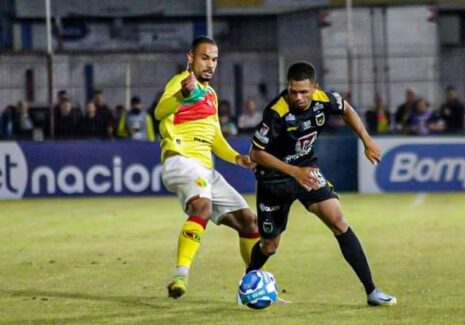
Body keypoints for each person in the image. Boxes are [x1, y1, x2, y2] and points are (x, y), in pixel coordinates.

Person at [247, 61, 396, 306]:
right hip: (274, 180)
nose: (298, 97)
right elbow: (256, 154)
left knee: (338, 221)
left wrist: (366, 140)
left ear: (315, 87)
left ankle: (371, 291)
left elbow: (346, 109)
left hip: (307, 170)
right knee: (270, 245)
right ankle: (247, 282)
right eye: (293, 91)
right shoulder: (276, 112)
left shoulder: (324, 100)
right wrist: (294, 172)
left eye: (304, 91)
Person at [154, 36, 261, 299]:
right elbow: (159, 112)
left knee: (249, 222)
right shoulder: (181, 82)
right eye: (205, 58)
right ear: (191, 57)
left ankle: (252, 286)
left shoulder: (211, 95)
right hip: (180, 159)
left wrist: (238, 158)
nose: (210, 64)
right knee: (203, 206)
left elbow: (215, 138)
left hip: (205, 169)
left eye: (214, 59)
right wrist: (182, 94)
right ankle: (181, 275)